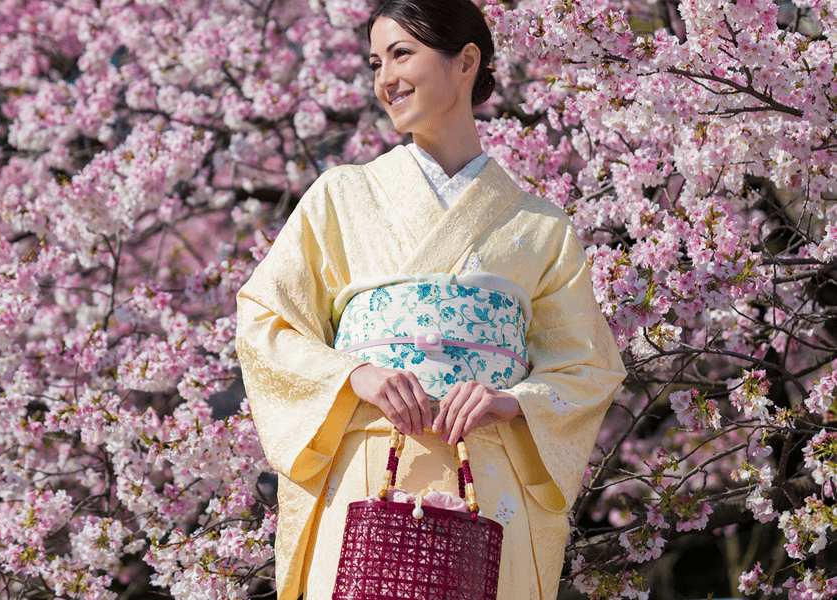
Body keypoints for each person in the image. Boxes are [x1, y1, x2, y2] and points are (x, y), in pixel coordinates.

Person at [234, 0, 627, 598]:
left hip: (487, 478)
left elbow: (587, 366)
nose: (385, 79)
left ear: (466, 61)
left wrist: (510, 400)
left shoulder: (540, 226)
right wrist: (356, 375)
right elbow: (267, 322)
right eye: (375, 63)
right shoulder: (340, 197)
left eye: (401, 54)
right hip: (369, 469)